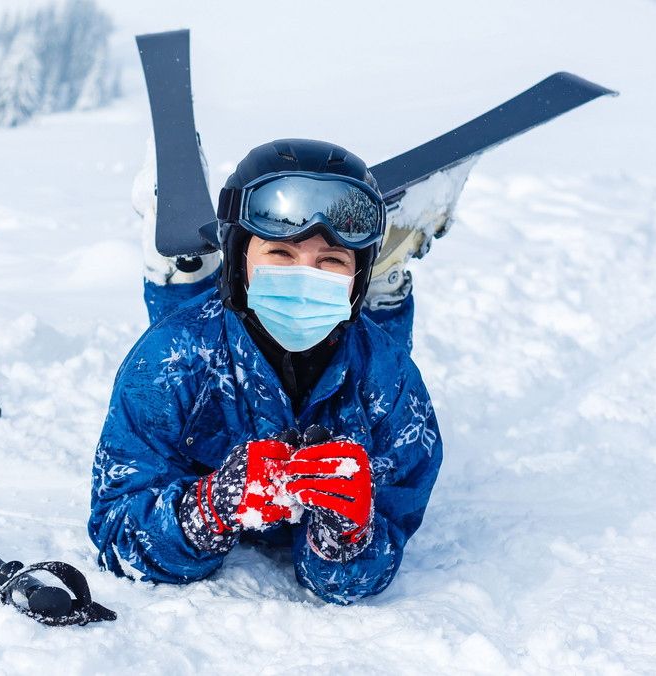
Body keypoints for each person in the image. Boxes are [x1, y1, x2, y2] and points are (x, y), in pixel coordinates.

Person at [88, 139, 442, 604]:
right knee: (188, 319)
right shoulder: (167, 360)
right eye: (280, 254)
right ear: (240, 258)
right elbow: (116, 529)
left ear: (355, 277)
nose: (305, 277)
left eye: (332, 262)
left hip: (362, 343)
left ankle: (384, 288)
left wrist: (351, 536)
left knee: (378, 334)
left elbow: (376, 552)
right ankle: (181, 264)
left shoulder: (392, 384)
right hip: (204, 337)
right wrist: (209, 507)